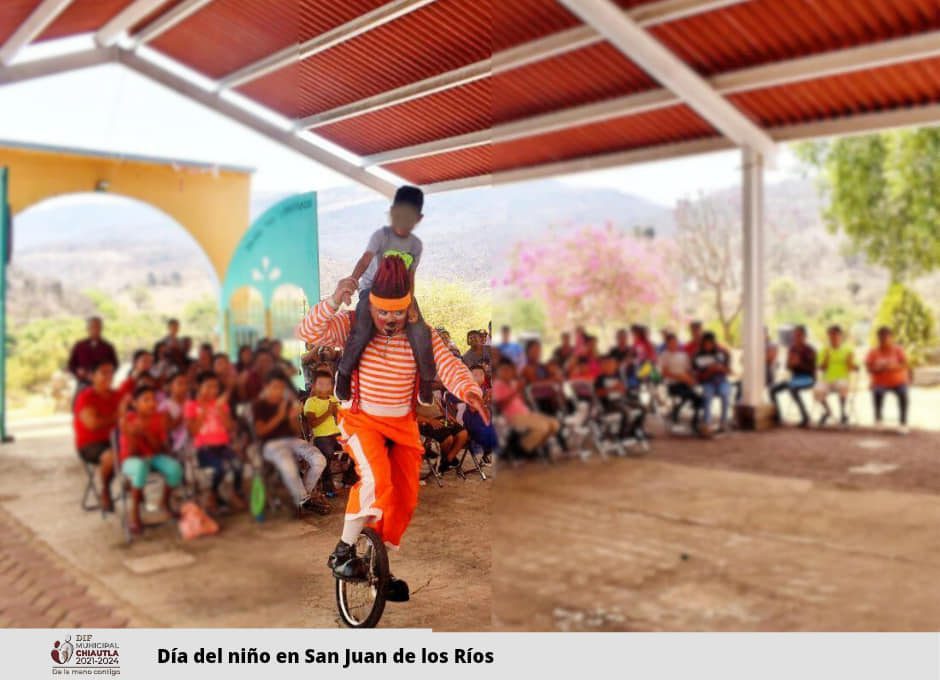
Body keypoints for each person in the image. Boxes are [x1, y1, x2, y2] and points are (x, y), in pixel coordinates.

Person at [296, 256, 487, 602]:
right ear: (371, 303)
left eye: (397, 313)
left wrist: (470, 390)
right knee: (376, 480)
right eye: (383, 312)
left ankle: (377, 569)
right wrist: (335, 299)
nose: (389, 320)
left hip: (402, 426)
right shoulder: (352, 324)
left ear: (409, 308)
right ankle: (342, 552)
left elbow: (449, 365)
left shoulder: (421, 335)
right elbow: (306, 333)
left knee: (403, 497)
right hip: (362, 421)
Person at [333, 185, 435, 406]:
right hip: (372, 290)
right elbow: (364, 260)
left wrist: (410, 304)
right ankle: (343, 373)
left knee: (420, 331)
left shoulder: (415, 246)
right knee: (362, 327)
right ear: (392, 212)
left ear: (419, 218)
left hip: (401, 294)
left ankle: (427, 380)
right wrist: (352, 281)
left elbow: (410, 275)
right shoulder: (381, 236)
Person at [253, 371, 329, 514]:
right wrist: (280, 416)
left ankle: (301, 498)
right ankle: (304, 499)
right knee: (288, 465)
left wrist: (294, 417)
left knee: (319, 460)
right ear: (267, 387)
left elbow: (294, 431)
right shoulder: (259, 405)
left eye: (281, 387)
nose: (279, 391)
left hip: (292, 440)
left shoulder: (286, 403)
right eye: (275, 387)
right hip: (270, 444)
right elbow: (261, 432)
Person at [119, 385, 184, 534]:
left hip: (152, 456)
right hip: (130, 459)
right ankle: (134, 513)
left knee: (175, 468)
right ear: (135, 404)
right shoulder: (127, 419)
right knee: (141, 466)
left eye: (153, 399)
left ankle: (164, 502)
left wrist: (146, 433)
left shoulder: (158, 419)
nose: (151, 403)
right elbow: (131, 452)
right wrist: (134, 434)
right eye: (146, 400)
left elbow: (158, 449)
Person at [185, 371, 245, 511]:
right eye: (208, 386)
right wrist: (204, 411)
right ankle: (212, 494)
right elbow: (193, 431)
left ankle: (234, 493)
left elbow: (230, 427)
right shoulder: (191, 405)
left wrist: (221, 411)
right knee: (220, 467)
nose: (213, 390)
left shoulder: (220, 404)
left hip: (222, 446)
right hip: (204, 449)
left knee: (238, 465)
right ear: (199, 387)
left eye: (216, 387)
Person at [74, 359, 121, 511]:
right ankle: (105, 490)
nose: (108, 376)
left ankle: (135, 491)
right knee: (111, 456)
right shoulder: (85, 397)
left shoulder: (117, 395)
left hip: (116, 439)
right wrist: (117, 416)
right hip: (91, 444)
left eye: (111, 373)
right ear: (92, 376)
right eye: (103, 373)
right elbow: (92, 424)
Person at [492, 358, 559, 455]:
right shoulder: (497, 385)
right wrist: (516, 391)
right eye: (504, 370)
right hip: (513, 417)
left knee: (554, 424)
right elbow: (499, 405)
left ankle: (534, 448)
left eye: (509, 370)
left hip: (525, 413)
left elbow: (522, 401)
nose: (507, 372)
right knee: (544, 427)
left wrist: (521, 391)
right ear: (499, 372)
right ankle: (523, 449)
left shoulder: (513, 383)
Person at [303, 370, 352, 495]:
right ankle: (328, 486)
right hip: (321, 437)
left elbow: (341, 418)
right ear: (313, 385)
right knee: (327, 453)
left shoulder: (333, 398)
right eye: (321, 384)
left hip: (337, 434)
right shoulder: (311, 401)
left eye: (328, 384)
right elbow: (312, 423)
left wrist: (337, 413)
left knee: (356, 447)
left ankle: (349, 479)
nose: (325, 387)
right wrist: (328, 412)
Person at [865, 327, 910, 434]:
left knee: (903, 393)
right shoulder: (873, 351)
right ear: (878, 338)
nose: (883, 340)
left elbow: (905, 364)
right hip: (880, 382)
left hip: (898, 382)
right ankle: (878, 420)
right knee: (877, 392)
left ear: (891, 338)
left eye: (886, 337)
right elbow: (868, 368)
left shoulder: (898, 349)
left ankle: (903, 423)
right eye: (881, 337)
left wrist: (893, 366)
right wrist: (878, 368)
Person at [770, 325, 817, 428]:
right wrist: (790, 364)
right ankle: (778, 416)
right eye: (795, 335)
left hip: (808, 379)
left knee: (793, 388)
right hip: (795, 379)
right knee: (773, 390)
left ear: (804, 336)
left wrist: (799, 364)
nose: (796, 337)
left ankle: (805, 417)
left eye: (799, 335)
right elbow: (788, 367)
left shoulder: (810, 350)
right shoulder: (792, 349)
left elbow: (813, 370)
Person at [658, 333, 703, 432]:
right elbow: (665, 373)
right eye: (671, 343)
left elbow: (688, 371)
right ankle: (675, 413)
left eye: (675, 342)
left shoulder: (683, 355)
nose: (674, 344)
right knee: (687, 395)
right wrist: (680, 377)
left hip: (685, 383)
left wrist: (691, 379)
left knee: (699, 399)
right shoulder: (665, 355)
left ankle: (694, 423)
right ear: (667, 344)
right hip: (672, 384)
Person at [814, 325, 857, 426]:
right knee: (817, 390)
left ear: (840, 336)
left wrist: (850, 363)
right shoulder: (824, 350)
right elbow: (821, 368)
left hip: (842, 378)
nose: (833, 337)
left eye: (835, 334)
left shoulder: (848, 350)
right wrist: (826, 358)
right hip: (827, 379)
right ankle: (828, 411)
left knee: (842, 386)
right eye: (830, 335)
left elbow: (853, 368)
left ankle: (843, 414)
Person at [67, 317, 118, 398]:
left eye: (98, 327)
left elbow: (115, 365)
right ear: (88, 329)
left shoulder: (108, 347)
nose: (95, 329)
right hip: (83, 384)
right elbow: (71, 365)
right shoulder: (79, 346)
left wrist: (104, 374)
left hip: (102, 386)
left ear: (101, 329)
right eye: (93, 327)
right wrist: (78, 372)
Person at [693, 332, 733, 434]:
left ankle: (723, 422)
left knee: (725, 394)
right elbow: (699, 377)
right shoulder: (698, 356)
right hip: (707, 382)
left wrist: (721, 368)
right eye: (706, 344)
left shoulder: (722, 354)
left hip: (721, 381)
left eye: (710, 343)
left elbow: (729, 371)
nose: (708, 346)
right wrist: (710, 371)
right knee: (707, 395)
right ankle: (707, 424)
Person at [464, 365, 497, 463]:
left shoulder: (483, 389)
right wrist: (486, 397)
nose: (479, 377)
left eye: (481, 374)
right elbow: (473, 409)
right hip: (472, 421)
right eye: (475, 375)